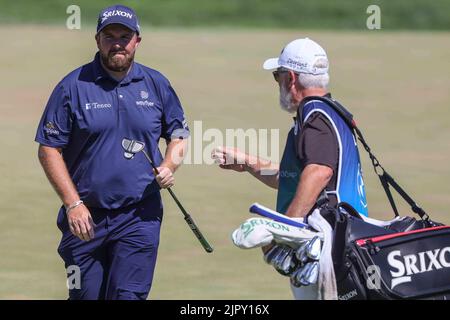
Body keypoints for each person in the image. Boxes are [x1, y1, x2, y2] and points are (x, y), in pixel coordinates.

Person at [35, 5, 189, 300]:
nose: (117, 43)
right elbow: (49, 148)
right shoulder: (72, 87)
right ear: (97, 40)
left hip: (140, 215)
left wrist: (170, 165)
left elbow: (179, 134)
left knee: (128, 297)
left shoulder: (156, 84)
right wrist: (72, 204)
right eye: (109, 37)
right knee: (84, 296)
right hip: (84, 217)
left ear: (137, 41)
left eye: (125, 36)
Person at [212, 38, 368, 299]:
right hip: (341, 245)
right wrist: (250, 164)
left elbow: (319, 172)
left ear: (290, 79)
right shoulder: (329, 112)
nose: (278, 83)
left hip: (329, 247)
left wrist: (286, 230)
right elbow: (295, 179)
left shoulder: (314, 113)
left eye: (277, 75)